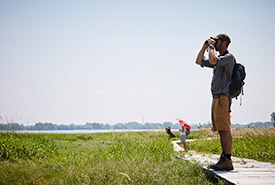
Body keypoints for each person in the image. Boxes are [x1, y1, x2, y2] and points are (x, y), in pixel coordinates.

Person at [195, 34, 235, 171]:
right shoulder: (218, 60)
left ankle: (227, 159)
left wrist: (211, 47)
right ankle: (224, 158)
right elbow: (198, 61)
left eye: (217, 41)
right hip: (217, 97)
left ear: (223, 43)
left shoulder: (228, 58)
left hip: (223, 97)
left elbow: (212, 60)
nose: (214, 43)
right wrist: (205, 46)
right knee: (221, 129)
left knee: (225, 129)